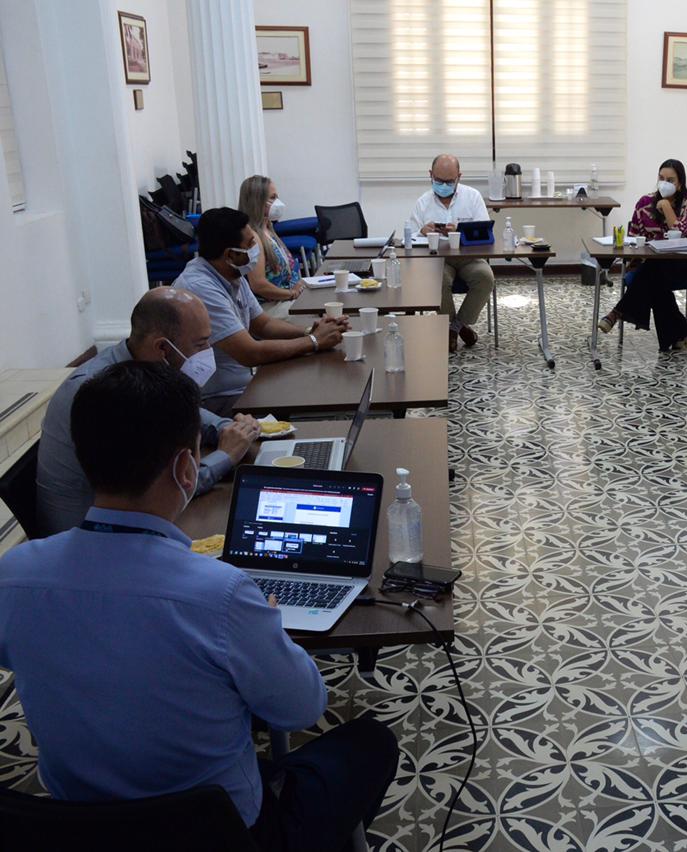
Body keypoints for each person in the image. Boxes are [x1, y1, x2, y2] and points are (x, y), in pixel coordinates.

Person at [0, 361, 399, 849]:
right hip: (219, 833)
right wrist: (267, 626)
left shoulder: (13, 575)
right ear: (186, 468)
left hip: (74, 830)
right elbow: (301, 707)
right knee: (370, 743)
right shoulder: (221, 593)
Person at [36, 288, 260, 535]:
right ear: (163, 348)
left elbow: (188, 412)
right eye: (200, 344)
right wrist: (226, 456)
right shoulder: (103, 390)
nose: (208, 351)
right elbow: (158, 490)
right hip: (93, 533)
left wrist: (228, 429)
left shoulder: (140, 365)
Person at [174, 207, 346, 416]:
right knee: (309, 397)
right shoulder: (200, 287)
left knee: (315, 383)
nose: (256, 249)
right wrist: (314, 341)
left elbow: (263, 324)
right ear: (230, 254)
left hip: (245, 386)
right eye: (250, 245)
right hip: (218, 400)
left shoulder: (230, 273)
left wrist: (310, 331)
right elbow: (250, 353)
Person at [596, 159, 687, 352]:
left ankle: (617, 312)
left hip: (679, 264)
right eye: (661, 178)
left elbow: (684, 233)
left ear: (680, 183)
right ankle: (679, 332)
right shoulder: (645, 203)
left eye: (670, 180)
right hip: (649, 265)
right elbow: (633, 238)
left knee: (651, 274)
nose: (664, 183)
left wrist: (666, 207)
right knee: (655, 279)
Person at [407, 153, 495, 353]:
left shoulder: (472, 197)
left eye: (449, 181)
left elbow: (485, 234)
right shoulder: (423, 202)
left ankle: (455, 328)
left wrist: (460, 232)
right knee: (437, 279)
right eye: (439, 181)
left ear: (459, 177)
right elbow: (409, 239)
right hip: (438, 259)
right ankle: (456, 328)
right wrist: (422, 231)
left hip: (469, 257)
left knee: (485, 277)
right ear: (430, 175)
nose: (444, 186)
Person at [238, 174, 303, 301]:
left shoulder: (267, 228)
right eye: (273, 197)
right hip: (273, 304)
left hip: (287, 297)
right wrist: (291, 294)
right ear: (257, 201)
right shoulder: (253, 237)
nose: (277, 202)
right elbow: (258, 285)